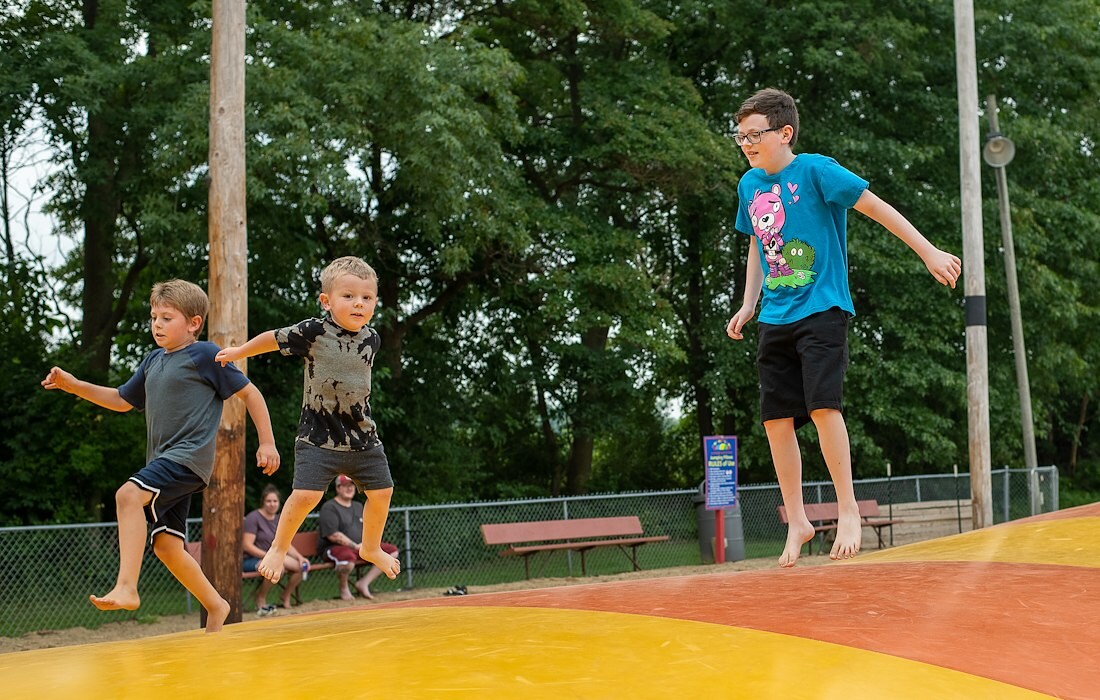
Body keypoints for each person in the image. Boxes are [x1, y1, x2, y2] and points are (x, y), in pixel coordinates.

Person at [725, 88, 961, 568]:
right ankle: (798, 520)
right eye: (740, 136)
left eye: (754, 135)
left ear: (783, 133)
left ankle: (847, 510)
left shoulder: (816, 170)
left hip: (822, 308)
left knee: (823, 407)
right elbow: (757, 243)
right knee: (775, 421)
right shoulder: (749, 187)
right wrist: (749, 302)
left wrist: (929, 251)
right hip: (775, 315)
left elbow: (876, 207)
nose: (746, 143)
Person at [41, 279, 280, 632]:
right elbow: (122, 400)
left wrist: (267, 442)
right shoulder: (153, 360)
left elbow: (251, 394)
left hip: (186, 459)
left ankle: (127, 586)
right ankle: (217, 606)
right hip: (165, 462)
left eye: (167, 318)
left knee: (128, 495)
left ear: (193, 323)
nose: (157, 324)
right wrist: (74, 385)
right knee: (167, 546)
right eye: (154, 317)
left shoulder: (204, 354)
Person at [215, 255, 400, 586]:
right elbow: (274, 337)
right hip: (318, 436)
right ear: (326, 302)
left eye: (367, 298)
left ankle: (371, 548)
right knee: (306, 496)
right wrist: (240, 351)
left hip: (361, 437)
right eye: (349, 296)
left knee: (383, 491)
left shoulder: (372, 338)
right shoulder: (314, 331)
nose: (359, 303)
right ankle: (277, 548)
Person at [318, 474, 401, 600]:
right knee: (347, 558)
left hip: (362, 547)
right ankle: (344, 588)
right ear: (338, 488)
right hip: (336, 548)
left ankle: (363, 583)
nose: (349, 488)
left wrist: (369, 545)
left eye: (351, 485)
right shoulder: (330, 507)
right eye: (345, 486)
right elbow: (333, 535)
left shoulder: (358, 506)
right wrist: (355, 545)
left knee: (392, 551)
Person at [243, 484, 310, 614]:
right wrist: (270, 557)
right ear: (263, 502)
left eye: (275, 501)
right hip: (251, 559)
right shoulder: (253, 518)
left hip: (274, 556)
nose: (272, 504)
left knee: (302, 566)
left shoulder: (279, 519)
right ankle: (261, 597)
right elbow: (247, 545)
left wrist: (299, 557)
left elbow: (285, 543)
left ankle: (285, 595)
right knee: (277, 567)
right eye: (268, 501)